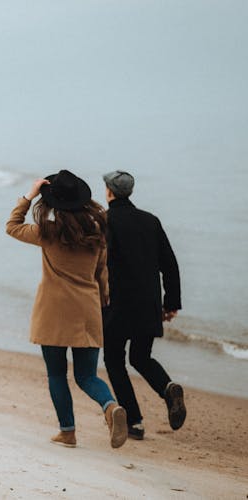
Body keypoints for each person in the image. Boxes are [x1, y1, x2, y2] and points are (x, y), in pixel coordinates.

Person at [6, 170, 127, 449]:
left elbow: (12, 226)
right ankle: (110, 407)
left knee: (57, 374)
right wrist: (103, 301)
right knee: (87, 376)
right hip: (87, 310)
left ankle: (68, 432)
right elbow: (102, 274)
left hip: (53, 311)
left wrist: (30, 194)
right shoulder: (97, 233)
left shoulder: (47, 233)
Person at [101, 170, 186, 440]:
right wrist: (171, 302)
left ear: (109, 192)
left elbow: (99, 264)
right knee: (141, 357)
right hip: (148, 305)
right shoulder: (151, 220)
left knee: (114, 360)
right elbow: (169, 265)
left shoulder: (106, 221)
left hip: (116, 305)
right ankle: (167, 388)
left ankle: (135, 422)